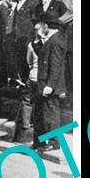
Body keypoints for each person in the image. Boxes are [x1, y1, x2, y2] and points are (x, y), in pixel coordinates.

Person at [30, 10, 68, 150]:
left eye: (41, 24)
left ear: (46, 25)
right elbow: (41, 55)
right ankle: (39, 142)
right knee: (40, 113)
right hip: (43, 83)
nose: (39, 27)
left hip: (49, 84)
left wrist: (50, 85)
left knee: (50, 113)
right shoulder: (50, 40)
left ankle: (54, 142)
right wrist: (37, 40)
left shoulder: (56, 41)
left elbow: (56, 66)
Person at [10, 0, 36, 81]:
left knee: (27, 61)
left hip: (26, 38)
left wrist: (30, 37)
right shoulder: (17, 5)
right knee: (20, 61)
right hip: (18, 38)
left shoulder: (31, 5)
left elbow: (34, 23)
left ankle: (28, 84)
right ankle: (24, 82)